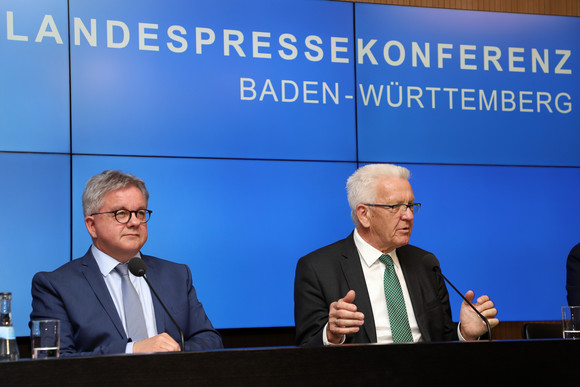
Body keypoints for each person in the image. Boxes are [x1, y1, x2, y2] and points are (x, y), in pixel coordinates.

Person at [294, 163, 498, 346]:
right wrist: (331, 335)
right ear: (364, 214)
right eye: (395, 207)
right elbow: (305, 349)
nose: (408, 216)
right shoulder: (317, 268)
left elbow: (441, 341)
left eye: (410, 205)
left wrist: (464, 333)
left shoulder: (425, 263)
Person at [31, 170, 223, 356]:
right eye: (121, 213)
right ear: (92, 225)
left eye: (140, 212)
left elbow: (210, 340)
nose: (134, 222)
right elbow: (54, 362)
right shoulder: (55, 286)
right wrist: (132, 351)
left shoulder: (176, 275)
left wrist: (172, 353)